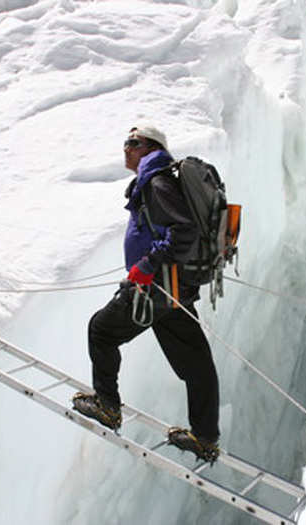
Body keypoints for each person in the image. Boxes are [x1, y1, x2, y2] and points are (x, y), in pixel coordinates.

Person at [72, 124, 220, 462]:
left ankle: (107, 405)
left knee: (102, 330)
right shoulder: (159, 179)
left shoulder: (157, 180)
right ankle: (205, 438)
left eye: (133, 142)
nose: (126, 148)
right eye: (126, 141)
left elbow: (185, 230)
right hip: (173, 289)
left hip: (156, 285)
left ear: (150, 146)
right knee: (196, 363)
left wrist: (149, 264)